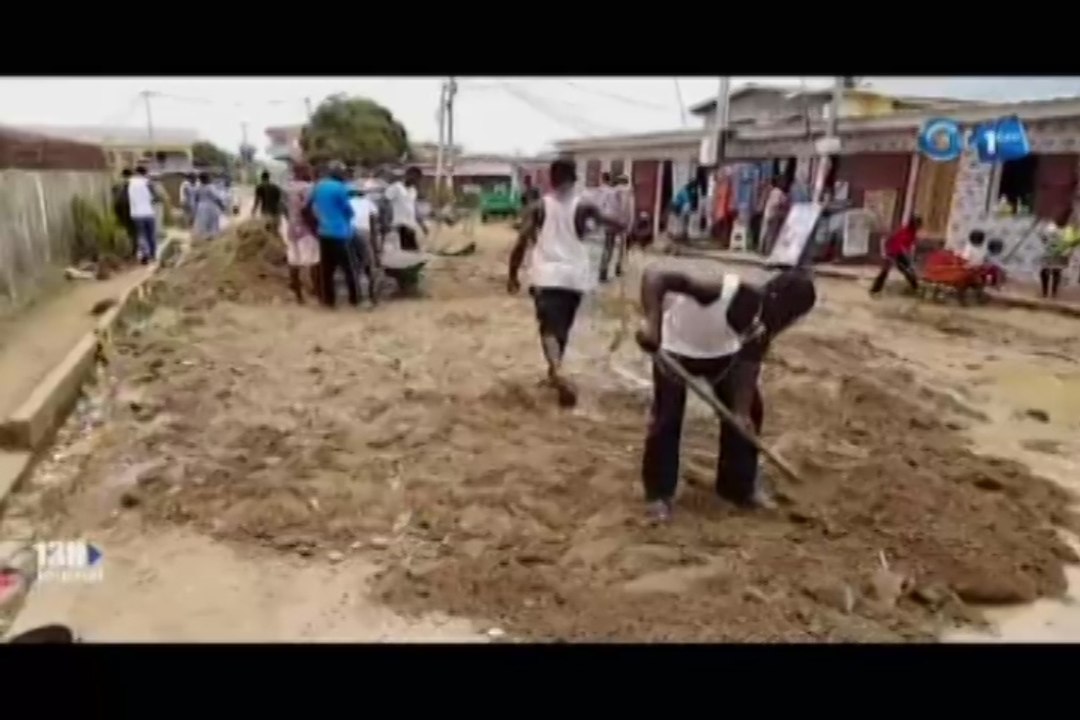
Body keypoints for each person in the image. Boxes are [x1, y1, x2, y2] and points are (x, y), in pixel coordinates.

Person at [635, 265, 817, 522]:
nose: (787, 322)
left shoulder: (763, 325)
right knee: (667, 418)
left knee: (751, 410)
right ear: (776, 300)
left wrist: (741, 412)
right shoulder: (725, 291)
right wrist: (652, 323)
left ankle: (737, 488)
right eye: (790, 315)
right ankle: (659, 495)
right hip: (674, 349)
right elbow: (655, 276)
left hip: (721, 360)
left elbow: (749, 362)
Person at [507, 158, 625, 408]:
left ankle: (557, 371)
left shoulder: (539, 206)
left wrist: (512, 274)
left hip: (546, 275)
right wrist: (627, 225)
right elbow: (613, 223)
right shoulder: (584, 206)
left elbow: (521, 241)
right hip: (575, 277)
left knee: (548, 326)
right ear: (575, 178)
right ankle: (554, 371)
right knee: (563, 326)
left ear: (551, 178)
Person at [308, 160, 359, 308]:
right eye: (342, 172)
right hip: (340, 233)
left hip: (323, 232)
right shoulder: (340, 188)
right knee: (349, 268)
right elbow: (348, 210)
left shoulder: (318, 186)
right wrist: (350, 215)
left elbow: (308, 207)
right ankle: (354, 300)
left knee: (327, 270)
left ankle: (328, 301)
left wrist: (316, 224)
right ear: (338, 172)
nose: (344, 174)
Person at [284, 163, 321, 304]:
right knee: (314, 262)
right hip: (306, 229)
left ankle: (298, 295)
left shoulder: (288, 188)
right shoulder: (309, 188)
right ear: (304, 172)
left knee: (294, 262)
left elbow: (285, 209)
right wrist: (315, 228)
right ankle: (317, 292)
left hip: (292, 229)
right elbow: (308, 210)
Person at [869, 215, 922, 296]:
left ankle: (915, 288)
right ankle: (875, 290)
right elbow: (897, 243)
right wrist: (890, 254)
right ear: (913, 224)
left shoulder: (912, 232)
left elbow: (909, 245)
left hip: (899, 253)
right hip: (893, 252)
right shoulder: (904, 231)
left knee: (907, 270)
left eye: (919, 224)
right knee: (887, 271)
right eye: (918, 224)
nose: (919, 226)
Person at [348, 184, 381, 305]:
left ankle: (356, 297)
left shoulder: (348, 202)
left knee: (353, 266)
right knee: (369, 265)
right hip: (363, 233)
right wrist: (375, 246)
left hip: (349, 233)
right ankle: (372, 296)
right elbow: (373, 223)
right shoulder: (369, 203)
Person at [385, 166, 428, 252]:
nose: (415, 181)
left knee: (413, 251)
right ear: (407, 175)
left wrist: (422, 225)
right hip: (399, 225)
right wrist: (387, 222)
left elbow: (414, 209)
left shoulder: (413, 190)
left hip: (410, 226)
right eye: (414, 177)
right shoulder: (396, 187)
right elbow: (386, 203)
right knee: (407, 251)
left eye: (417, 179)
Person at [1040, 213, 1080, 299]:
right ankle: (1047, 293)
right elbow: (1043, 237)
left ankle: (1051, 293)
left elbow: (1074, 240)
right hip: (1053, 250)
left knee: (1054, 271)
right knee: (1048, 271)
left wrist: (1069, 248)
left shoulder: (1069, 228)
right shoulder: (1052, 227)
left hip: (1060, 251)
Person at [127, 165, 160, 264]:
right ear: (145, 173)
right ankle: (153, 255)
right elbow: (156, 197)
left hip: (136, 214)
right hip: (148, 212)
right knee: (151, 235)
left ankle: (144, 254)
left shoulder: (130, 183)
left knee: (141, 235)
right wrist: (153, 200)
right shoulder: (148, 182)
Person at [597, 172, 622, 283]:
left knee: (606, 246)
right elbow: (617, 207)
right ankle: (604, 271)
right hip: (613, 220)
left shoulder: (601, 191)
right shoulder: (614, 192)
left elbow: (599, 206)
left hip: (605, 219)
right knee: (609, 247)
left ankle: (603, 271)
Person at [189, 172, 227, 242]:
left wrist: (194, 210)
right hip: (210, 207)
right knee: (212, 224)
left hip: (200, 208)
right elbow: (217, 197)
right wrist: (222, 205)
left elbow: (195, 200)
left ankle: (204, 239)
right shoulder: (210, 187)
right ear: (207, 179)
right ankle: (211, 239)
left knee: (202, 224)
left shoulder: (198, 188)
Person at [759, 178, 789, 257]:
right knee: (771, 234)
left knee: (767, 232)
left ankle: (764, 250)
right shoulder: (778, 192)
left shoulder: (773, 191)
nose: (784, 184)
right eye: (783, 182)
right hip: (773, 215)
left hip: (769, 214)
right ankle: (768, 251)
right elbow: (776, 204)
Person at [112, 168, 136, 258]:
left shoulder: (118, 185)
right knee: (133, 231)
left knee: (127, 229)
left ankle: (128, 250)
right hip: (131, 208)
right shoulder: (133, 183)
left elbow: (113, 193)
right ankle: (133, 250)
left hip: (120, 209)